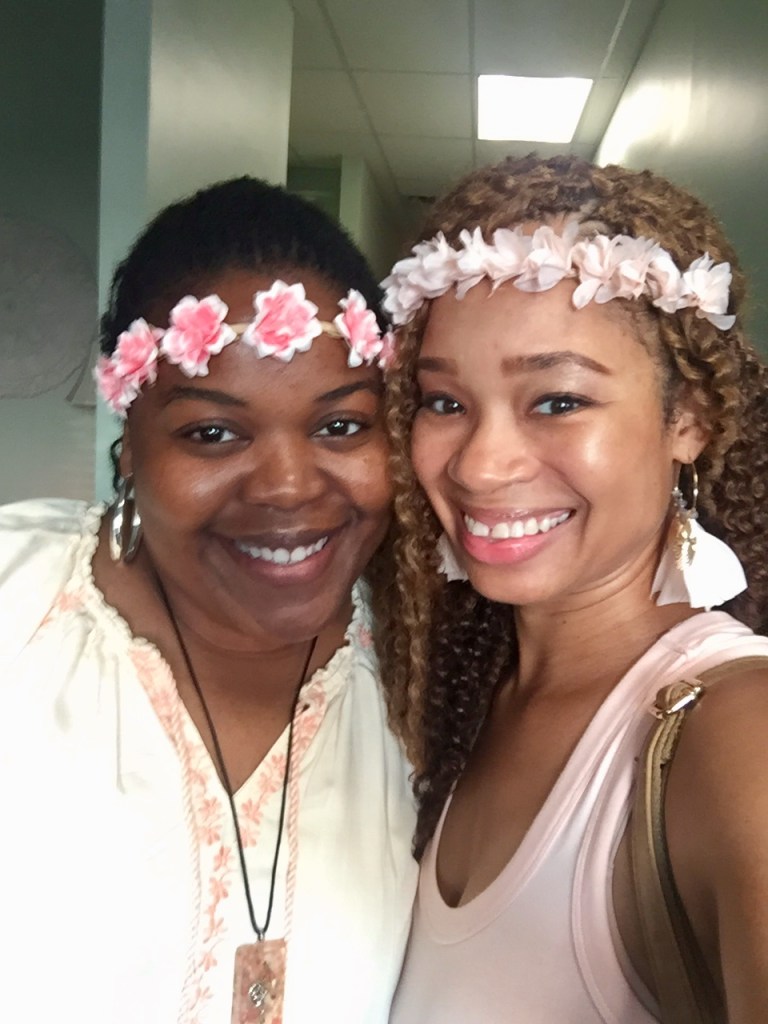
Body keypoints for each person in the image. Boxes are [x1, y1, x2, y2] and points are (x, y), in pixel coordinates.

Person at [0, 177, 417, 1024]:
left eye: (341, 425)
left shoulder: (432, 685)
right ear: (129, 445)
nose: (288, 487)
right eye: (212, 433)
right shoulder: (18, 606)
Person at [377, 155, 768, 1022]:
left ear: (690, 419)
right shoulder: (454, 699)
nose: (479, 465)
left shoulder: (738, 737)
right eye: (444, 402)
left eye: (556, 401)